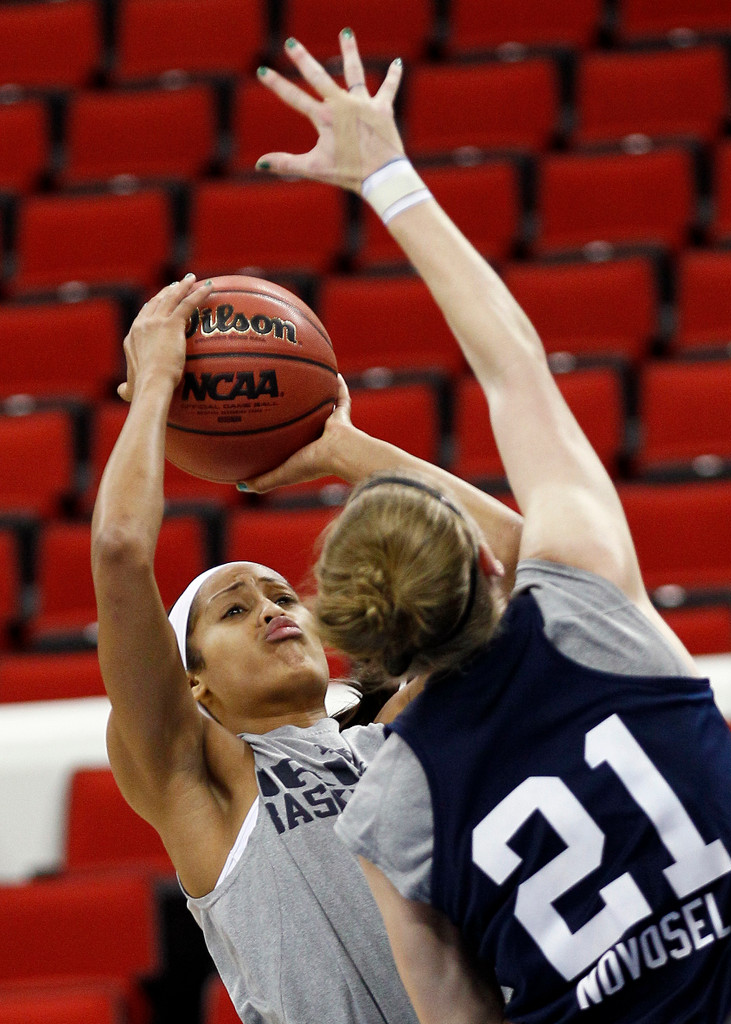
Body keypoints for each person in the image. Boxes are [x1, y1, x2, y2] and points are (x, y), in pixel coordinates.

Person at [253, 28, 731, 1024]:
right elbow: (515, 366)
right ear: (486, 565)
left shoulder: (389, 810)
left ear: (356, 642)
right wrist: (387, 174)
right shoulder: (591, 607)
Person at [90, 265, 522, 1024]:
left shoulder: (399, 740)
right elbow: (122, 550)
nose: (270, 610)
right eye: (232, 611)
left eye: (281, 595)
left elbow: (516, 560)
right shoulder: (204, 783)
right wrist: (156, 385)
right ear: (195, 686)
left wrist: (343, 449)